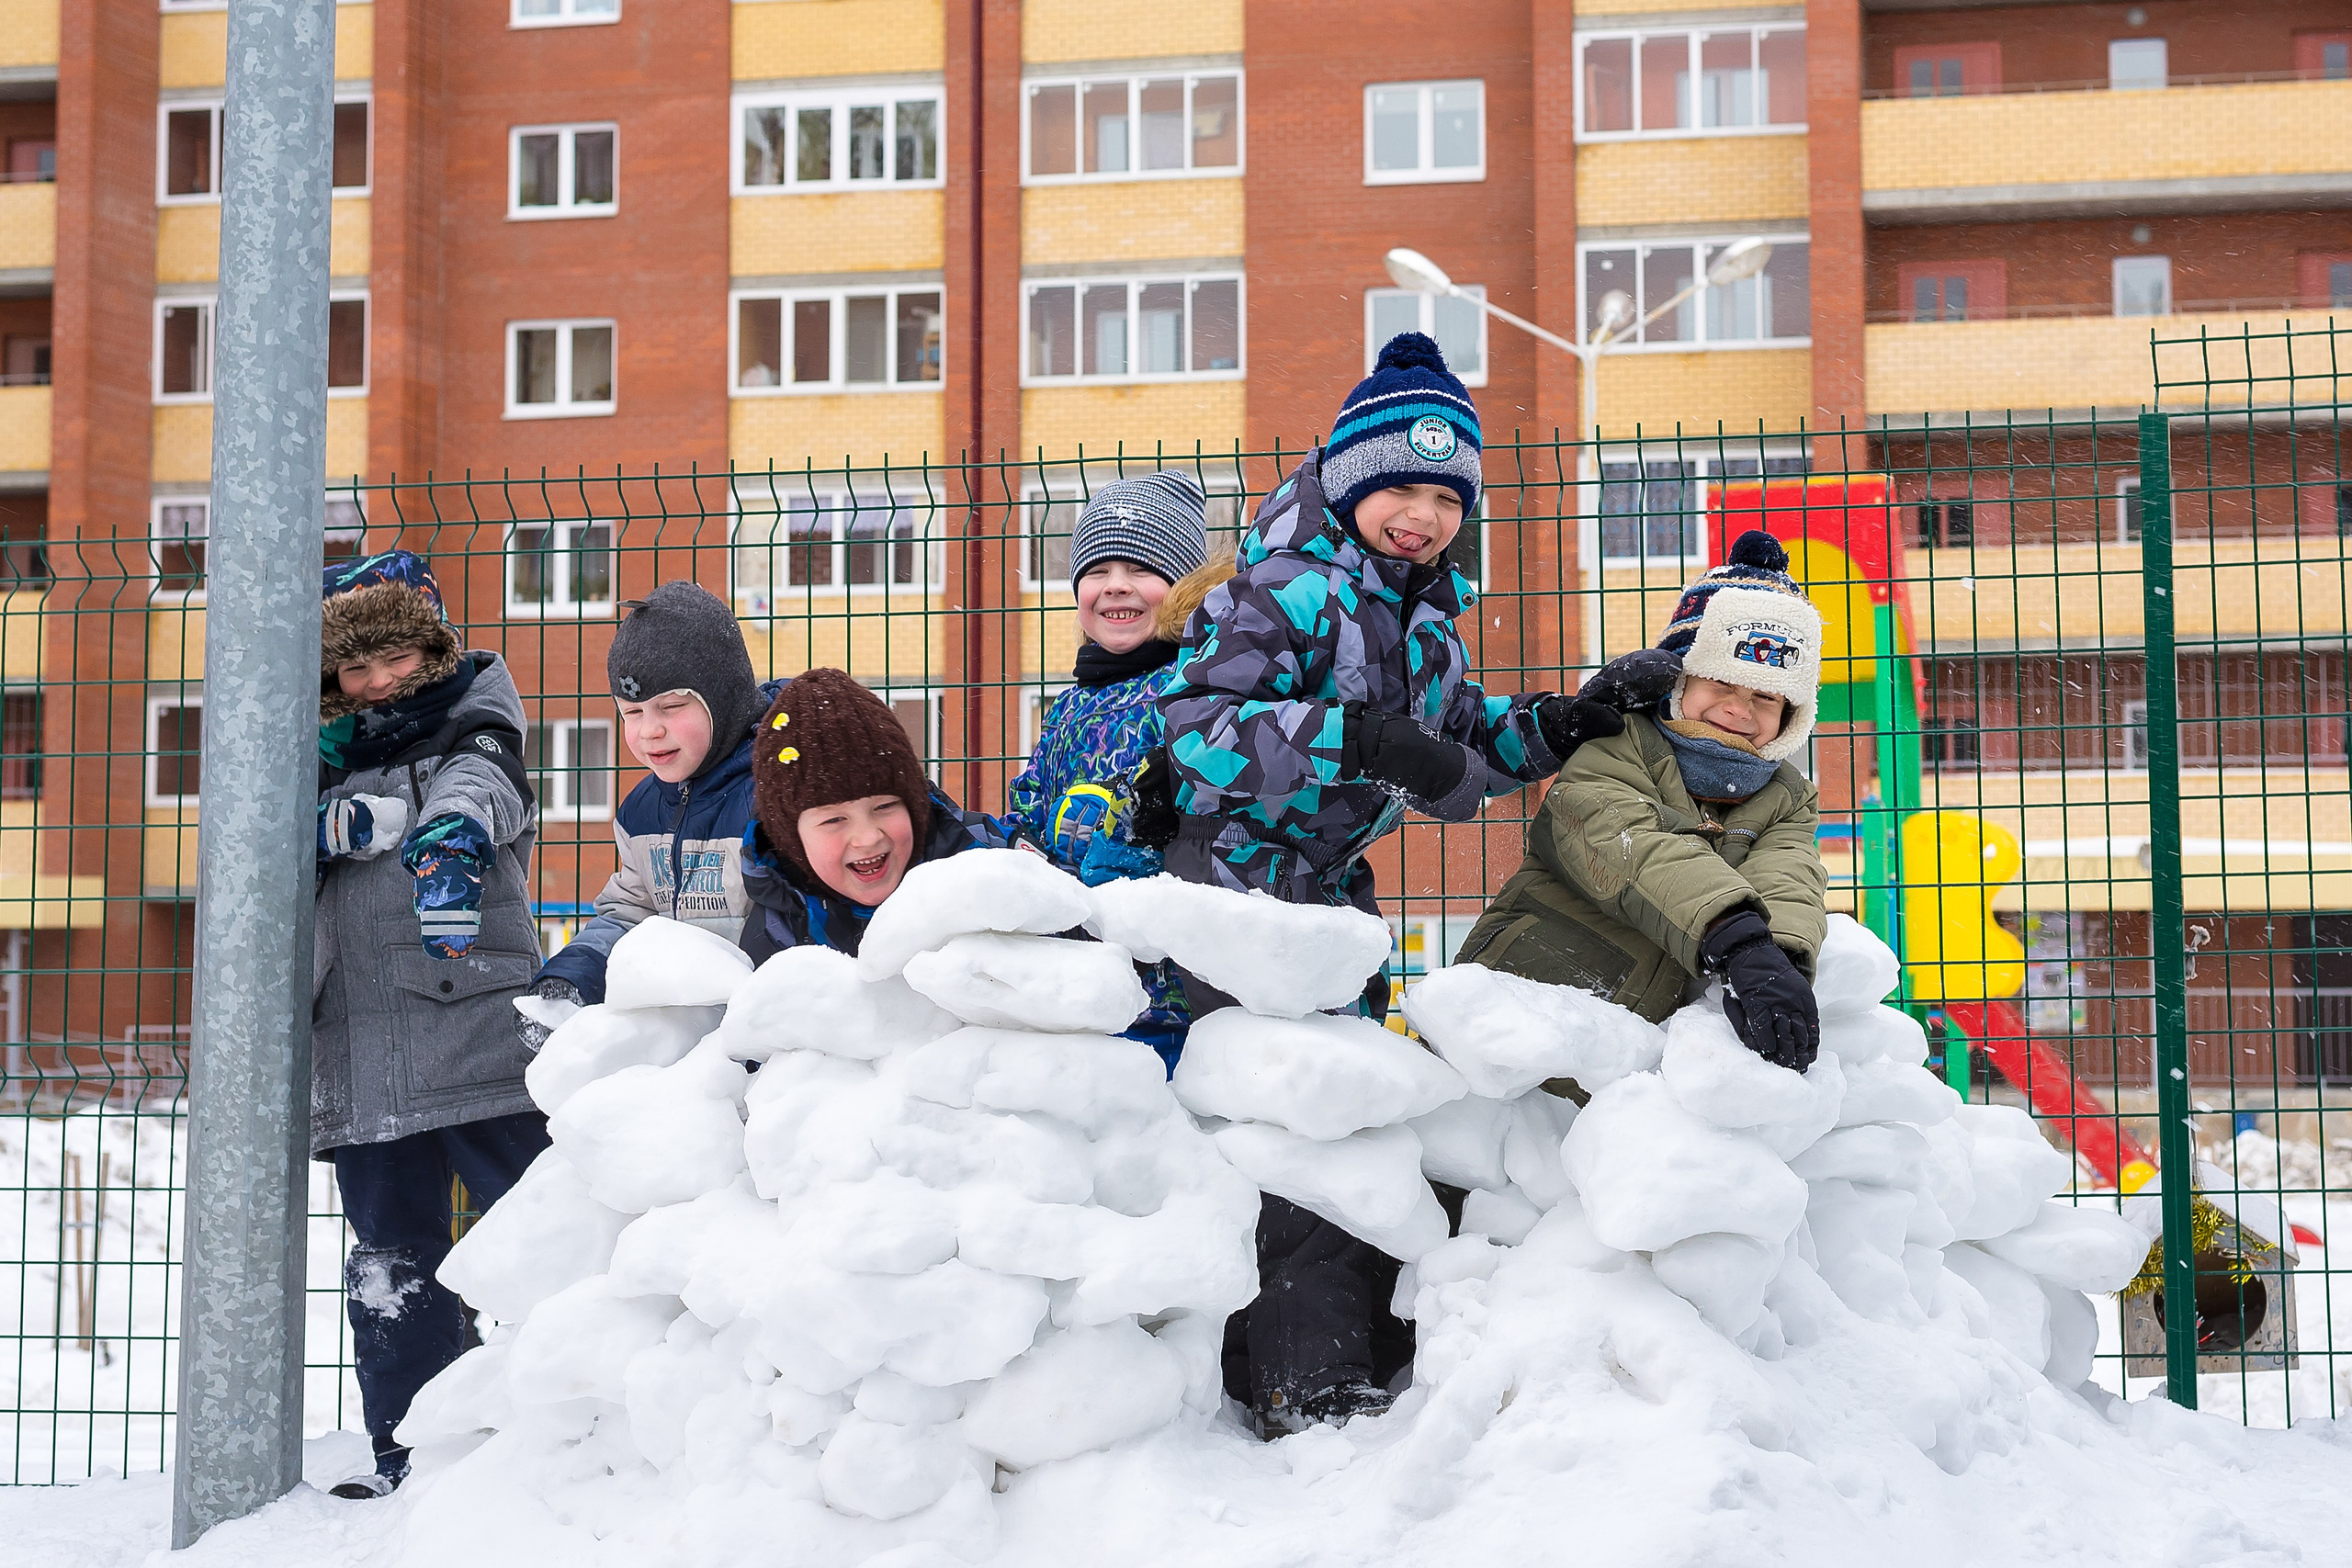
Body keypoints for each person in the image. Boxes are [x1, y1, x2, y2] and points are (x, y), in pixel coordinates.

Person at [1154, 333, 1593, 1433]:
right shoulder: (1282, 590)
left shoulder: (1425, 615)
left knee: (1341, 1124)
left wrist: (1564, 724)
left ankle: (1311, 1355)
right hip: (1235, 896)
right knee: (1295, 1127)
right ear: (1350, 483)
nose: (1424, 515)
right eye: (1398, 485)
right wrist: (1363, 740)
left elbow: (1463, 752)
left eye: (1446, 496)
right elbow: (1199, 728)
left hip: (1333, 908)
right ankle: (1302, 1383)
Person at [310, 551, 544, 1501]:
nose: (377, 684)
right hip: (361, 1050)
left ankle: (555, 1431)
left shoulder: (476, 726)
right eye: (354, 671)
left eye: (396, 657)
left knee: (531, 1236)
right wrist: (321, 823)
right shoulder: (318, 753)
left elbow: (480, 790)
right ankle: (407, 1451)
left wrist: (435, 831)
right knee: (390, 1268)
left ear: (434, 646)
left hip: (476, 1031)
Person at [1456, 528, 1830, 1075]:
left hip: (1633, 1062)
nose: (1737, 709)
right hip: (1521, 1015)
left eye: (1765, 697)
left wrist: (1783, 960)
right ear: (1679, 681)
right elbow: (1630, 848)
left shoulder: (1786, 797)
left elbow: (1788, 874)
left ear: (1791, 718)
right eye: (1720, 683)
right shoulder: (1614, 745)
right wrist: (1740, 942)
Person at [1000, 469, 1224, 1069]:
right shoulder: (1072, 703)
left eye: (1142, 571)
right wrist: (1021, 841)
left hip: (1176, 996)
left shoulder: (1194, 687)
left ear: (1183, 587)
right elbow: (1035, 795)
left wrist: (1143, 830)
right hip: (1081, 981)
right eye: (1097, 571)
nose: (1115, 587)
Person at [519, 581, 777, 1043]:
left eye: (672, 707)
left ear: (723, 699)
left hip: (775, 1037)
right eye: (631, 712)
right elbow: (630, 913)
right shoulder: (642, 811)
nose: (649, 731)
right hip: (688, 1048)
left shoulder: (775, 792)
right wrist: (574, 978)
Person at [736, 668, 1013, 963]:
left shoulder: (980, 855)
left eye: (884, 807)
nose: (868, 837)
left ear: (915, 806)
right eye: (834, 820)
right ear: (792, 841)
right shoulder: (778, 929)